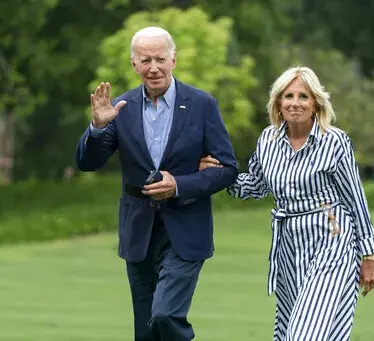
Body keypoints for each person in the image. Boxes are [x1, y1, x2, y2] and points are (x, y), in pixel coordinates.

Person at [75, 26, 238, 341]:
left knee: (165, 315)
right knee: (146, 330)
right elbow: (87, 162)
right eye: (145, 60)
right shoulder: (118, 109)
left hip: (187, 228)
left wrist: (179, 184)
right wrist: (96, 127)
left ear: (173, 60)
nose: (153, 67)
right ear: (134, 64)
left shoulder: (202, 104)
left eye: (160, 59)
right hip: (138, 230)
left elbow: (227, 168)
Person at [200, 66, 374, 341]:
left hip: (332, 242)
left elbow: (354, 197)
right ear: (278, 103)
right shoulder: (268, 141)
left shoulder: (335, 142)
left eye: (303, 97)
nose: (295, 103)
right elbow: (256, 185)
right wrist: (217, 176)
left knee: (304, 333)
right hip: (288, 246)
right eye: (288, 96)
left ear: (316, 104)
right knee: (300, 332)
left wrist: (368, 256)